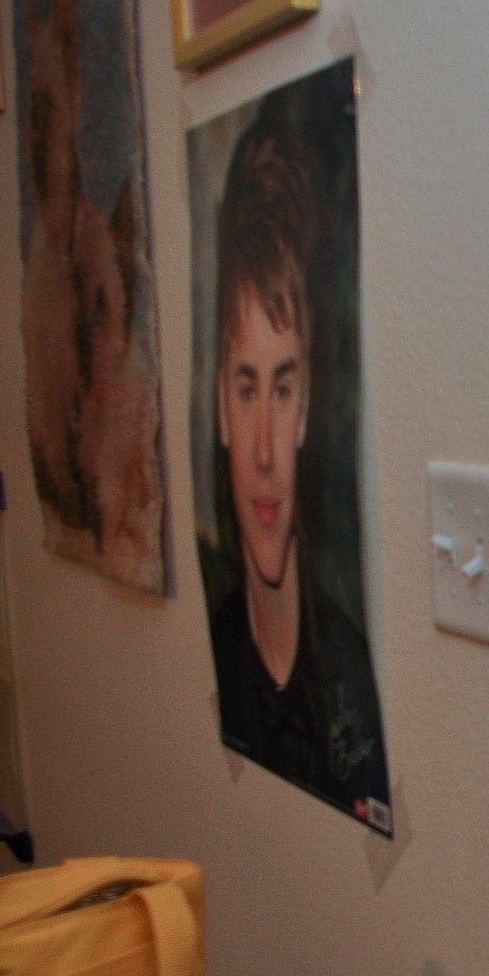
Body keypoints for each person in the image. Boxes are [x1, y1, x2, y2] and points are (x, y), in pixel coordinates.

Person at [206, 114, 390, 826]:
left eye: (281, 390)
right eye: (245, 387)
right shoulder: (221, 651)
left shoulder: (354, 677)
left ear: (308, 406)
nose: (261, 449)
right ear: (220, 406)